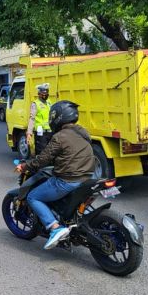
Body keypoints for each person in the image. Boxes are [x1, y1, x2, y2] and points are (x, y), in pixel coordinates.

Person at [15, 100, 95, 250]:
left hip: (68, 180)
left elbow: (43, 159)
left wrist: (26, 166)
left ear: (59, 117)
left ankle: (55, 228)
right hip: (87, 176)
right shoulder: (83, 132)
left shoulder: (60, 136)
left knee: (33, 197)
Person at [26, 83, 54, 156]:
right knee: (41, 151)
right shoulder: (35, 104)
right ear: (39, 94)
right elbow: (32, 119)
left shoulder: (49, 102)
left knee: (50, 151)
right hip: (40, 131)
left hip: (50, 131)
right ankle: (39, 166)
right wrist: (29, 133)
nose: (45, 95)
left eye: (46, 94)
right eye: (43, 94)